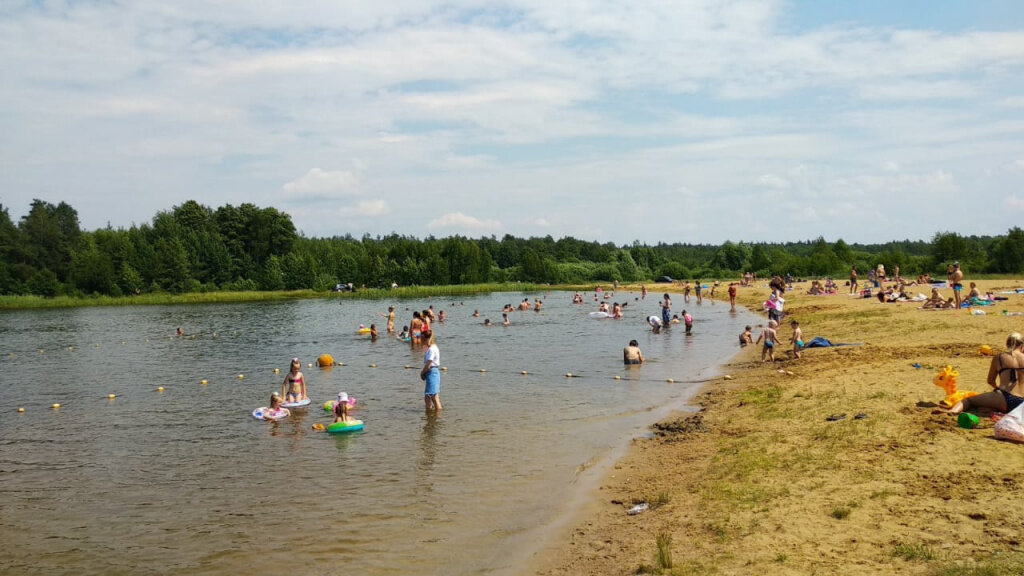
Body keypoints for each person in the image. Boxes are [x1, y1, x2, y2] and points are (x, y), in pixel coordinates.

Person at [950, 332, 1024, 415]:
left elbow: (990, 380)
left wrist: (997, 390)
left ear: (1007, 344)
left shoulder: (999, 357)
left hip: (1004, 397)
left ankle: (952, 412)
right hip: (1022, 403)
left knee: (968, 400)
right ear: (1022, 346)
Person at [420, 331, 442, 411]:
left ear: (426, 339)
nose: (421, 341)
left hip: (432, 372)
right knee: (428, 396)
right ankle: (430, 415)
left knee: (433, 396)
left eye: (422, 339)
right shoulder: (433, 347)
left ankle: (437, 416)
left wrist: (422, 373)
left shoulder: (431, 349)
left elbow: (429, 365)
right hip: (432, 372)